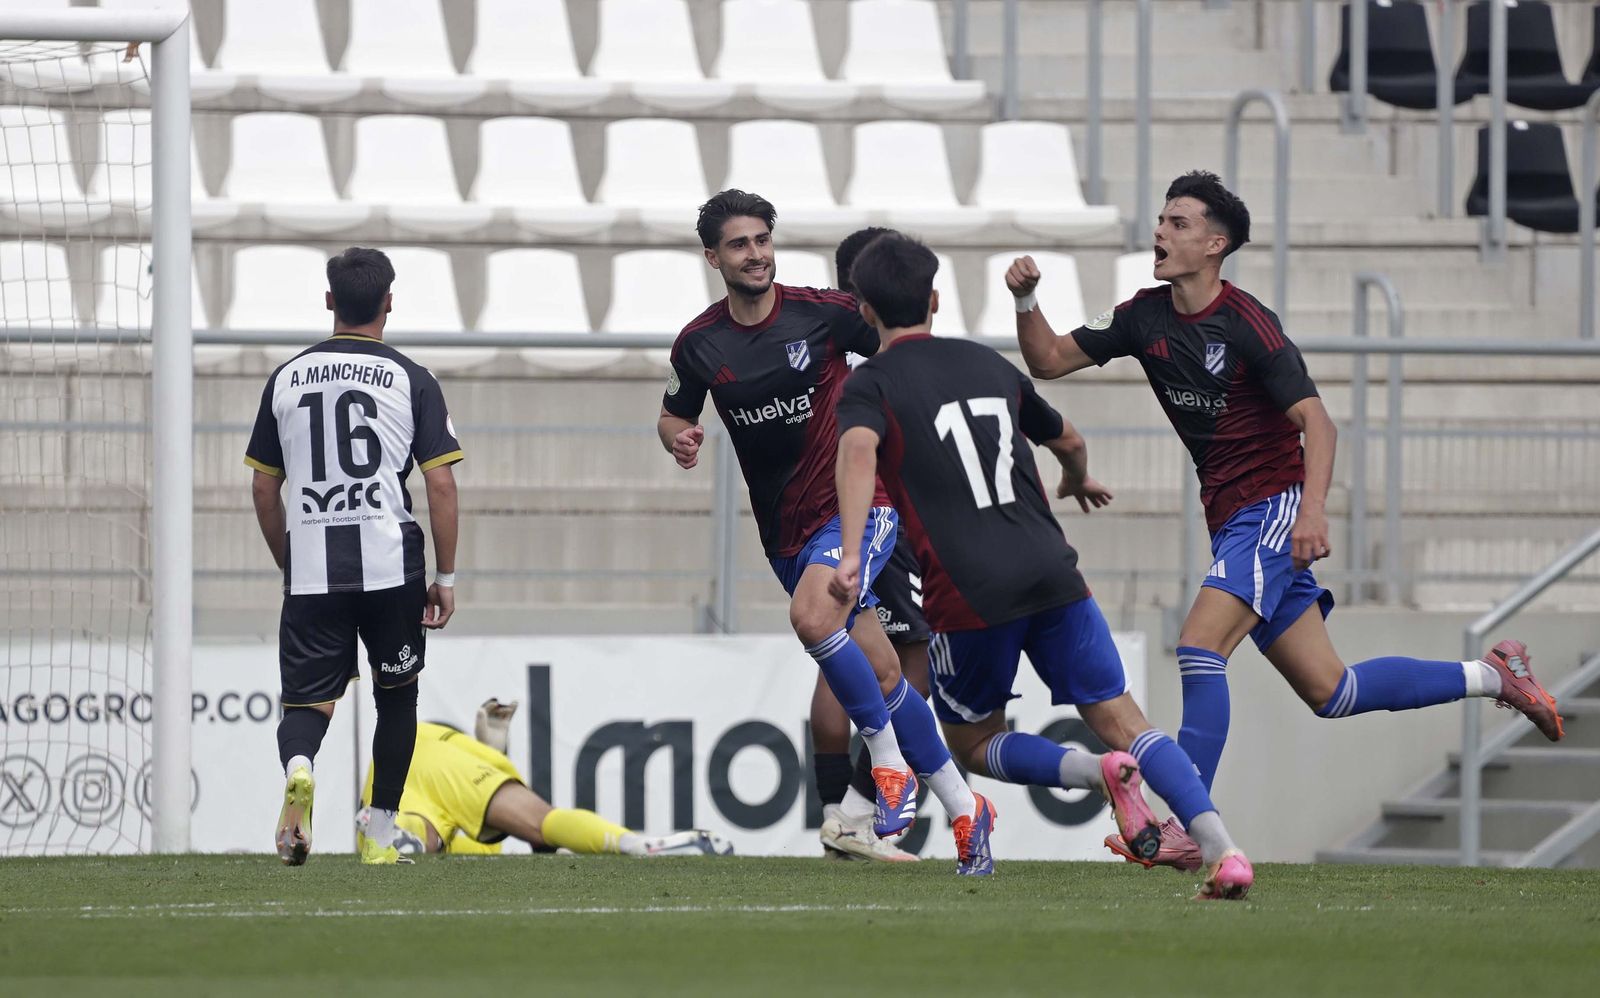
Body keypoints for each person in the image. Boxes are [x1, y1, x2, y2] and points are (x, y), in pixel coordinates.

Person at [1005, 170, 1564, 867]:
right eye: (1161, 219)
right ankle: (1494, 674)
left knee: (1200, 648)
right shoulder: (1142, 316)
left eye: (1178, 224)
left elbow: (1319, 423)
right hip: (1235, 520)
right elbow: (1049, 361)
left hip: (1270, 511)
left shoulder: (1247, 323)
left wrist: (1311, 511)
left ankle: (1188, 824)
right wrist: (1027, 298)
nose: (1160, 232)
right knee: (1334, 690)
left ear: (1215, 244)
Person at [830, 232, 1254, 898]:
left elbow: (857, 455)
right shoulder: (988, 363)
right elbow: (1070, 438)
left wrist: (852, 552)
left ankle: (1096, 772)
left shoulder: (870, 383)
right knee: (1128, 718)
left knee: (970, 741)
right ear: (936, 299)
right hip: (1053, 570)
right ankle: (1223, 849)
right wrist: (1078, 478)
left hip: (969, 592)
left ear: (863, 310)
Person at [656, 190, 988, 873]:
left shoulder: (825, 315)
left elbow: (906, 347)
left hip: (858, 512)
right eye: (740, 244)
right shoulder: (699, 343)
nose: (756, 254)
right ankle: (964, 808)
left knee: (812, 618)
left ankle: (890, 768)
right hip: (785, 534)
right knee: (887, 669)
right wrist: (679, 438)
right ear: (713, 256)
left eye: (763, 240)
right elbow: (671, 413)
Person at [245, 246, 462, 867]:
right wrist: (445, 576)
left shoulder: (286, 377)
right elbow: (440, 484)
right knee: (397, 696)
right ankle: (377, 830)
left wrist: (291, 561)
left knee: (308, 702)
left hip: (313, 569)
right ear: (389, 302)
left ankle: (300, 767)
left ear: (330, 301)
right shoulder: (410, 377)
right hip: (391, 567)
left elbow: (264, 486)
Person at [811, 226, 932, 863]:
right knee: (909, 668)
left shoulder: (822, 347)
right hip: (885, 517)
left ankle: (837, 818)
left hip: (829, 523)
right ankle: (857, 815)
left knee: (842, 654)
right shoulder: (892, 358)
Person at [356, 699, 733, 858]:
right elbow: (494, 833)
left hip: (388, 769)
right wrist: (493, 749)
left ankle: (394, 830)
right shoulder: (476, 830)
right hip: (433, 748)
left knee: (422, 838)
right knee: (541, 822)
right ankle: (636, 845)